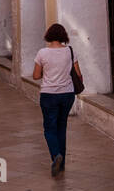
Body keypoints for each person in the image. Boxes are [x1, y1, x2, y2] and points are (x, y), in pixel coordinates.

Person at [33, 23, 82, 177]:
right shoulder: (69, 51)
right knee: (62, 127)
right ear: (63, 36)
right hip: (67, 94)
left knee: (49, 128)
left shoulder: (42, 53)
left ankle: (56, 156)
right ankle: (62, 164)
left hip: (49, 95)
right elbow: (78, 75)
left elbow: (35, 75)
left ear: (48, 36)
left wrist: (48, 73)